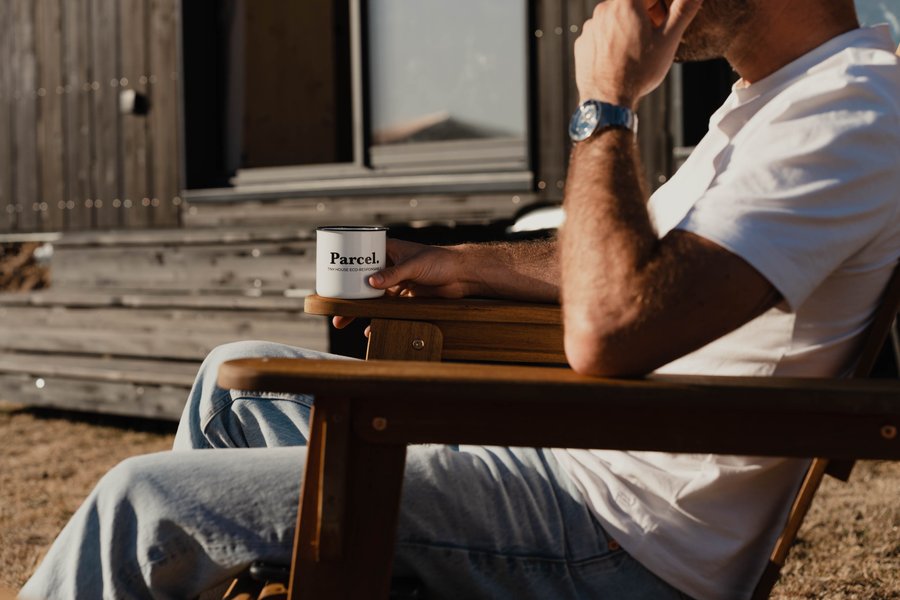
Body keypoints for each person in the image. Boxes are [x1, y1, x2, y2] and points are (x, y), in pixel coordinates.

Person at [21, 0, 900, 598]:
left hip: (621, 537)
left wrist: (607, 104)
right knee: (231, 382)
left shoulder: (850, 111)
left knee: (144, 500)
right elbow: (639, 267)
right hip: (574, 473)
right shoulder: (770, 104)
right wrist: (457, 264)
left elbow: (614, 324)